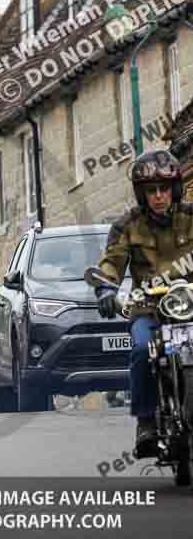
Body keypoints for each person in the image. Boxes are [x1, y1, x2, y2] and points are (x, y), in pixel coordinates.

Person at [89, 150, 193, 457]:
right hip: (147, 307)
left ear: (174, 189)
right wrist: (106, 290)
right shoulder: (127, 226)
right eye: (151, 191)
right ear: (142, 194)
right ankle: (146, 421)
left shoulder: (191, 217)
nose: (158, 196)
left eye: (163, 189)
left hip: (189, 303)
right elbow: (111, 262)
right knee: (140, 350)